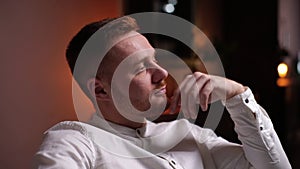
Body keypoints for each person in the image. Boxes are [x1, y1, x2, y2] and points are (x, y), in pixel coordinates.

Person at [33, 16, 291, 169]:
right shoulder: (75, 141)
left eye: (155, 60)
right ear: (100, 89)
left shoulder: (192, 136)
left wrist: (236, 95)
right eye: (141, 68)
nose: (163, 74)